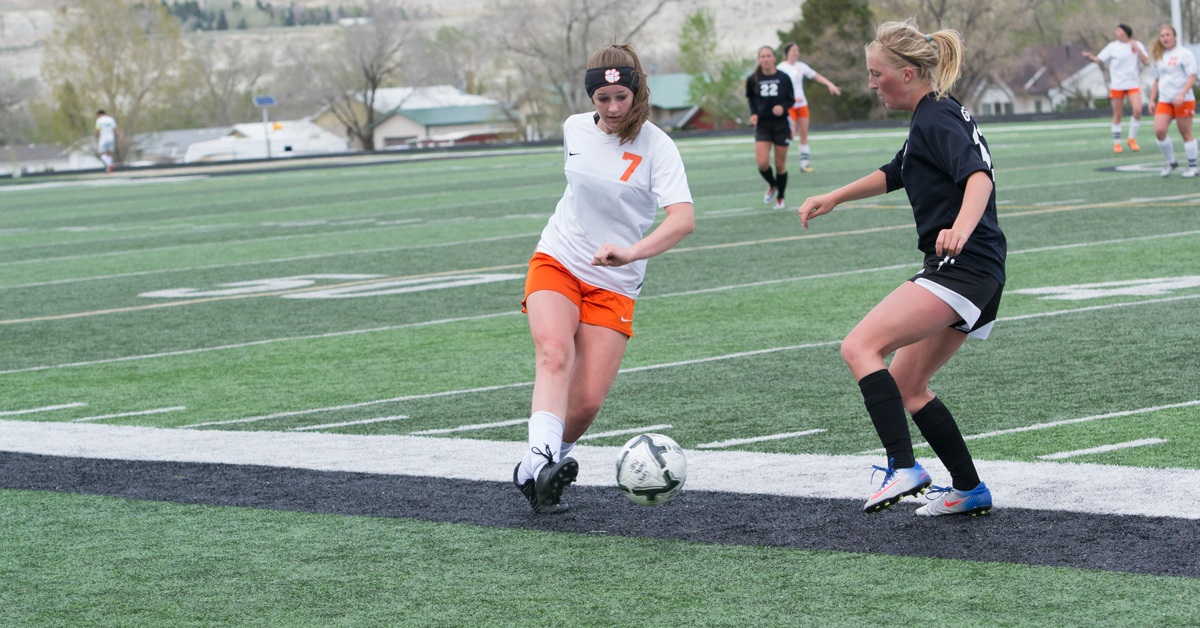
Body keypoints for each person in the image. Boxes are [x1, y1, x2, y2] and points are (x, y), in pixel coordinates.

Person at [798, 19, 1005, 517]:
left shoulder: (935, 117)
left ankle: (903, 466)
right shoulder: (931, 115)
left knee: (859, 346)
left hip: (962, 267)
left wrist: (959, 227)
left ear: (908, 73)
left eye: (877, 74)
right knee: (908, 384)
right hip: (978, 273)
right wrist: (836, 197)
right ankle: (969, 487)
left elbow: (979, 178)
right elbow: (897, 171)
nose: (871, 84)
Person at [513, 43, 695, 514]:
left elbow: (682, 219)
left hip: (616, 277)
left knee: (589, 401)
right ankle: (541, 460)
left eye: (621, 97)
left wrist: (630, 252)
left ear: (637, 92)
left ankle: (537, 471)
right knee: (555, 354)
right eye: (603, 99)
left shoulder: (658, 145)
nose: (613, 109)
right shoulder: (574, 128)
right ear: (591, 97)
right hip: (558, 258)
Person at [1082, 25, 1149, 153]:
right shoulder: (1112, 46)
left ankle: (1131, 138)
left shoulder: (1136, 44)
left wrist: (1137, 49)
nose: (1116, 33)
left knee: (1138, 110)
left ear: (1126, 32)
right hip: (1117, 85)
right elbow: (1099, 59)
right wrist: (1090, 57)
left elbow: (1146, 61)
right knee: (1117, 114)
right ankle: (1117, 143)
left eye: (1119, 30)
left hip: (1132, 84)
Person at [777, 42, 842, 171]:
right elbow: (778, 88)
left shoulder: (801, 66)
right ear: (787, 53)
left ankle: (804, 165)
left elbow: (815, 75)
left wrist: (830, 84)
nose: (796, 53)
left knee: (804, 134)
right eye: (793, 50)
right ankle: (780, 162)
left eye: (797, 50)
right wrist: (790, 98)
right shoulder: (781, 68)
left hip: (802, 104)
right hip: (789, 105)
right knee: (790, 134)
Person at [746, 45, 795, 210]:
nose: (765, 59)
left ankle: (780, 197)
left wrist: (783, 107)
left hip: (781, 125)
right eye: (762, 56)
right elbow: (752, 100)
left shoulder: (784, 77)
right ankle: (772, 184)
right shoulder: (753, 79)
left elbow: (791, 100)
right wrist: (753, 114)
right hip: (763, 126)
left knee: (780, 164)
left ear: (774, 58)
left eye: (768, 56)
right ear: (759, 59)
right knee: (762, 163)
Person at [1149, 24, 1198, 178]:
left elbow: (1192, 76)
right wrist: (1152, 100)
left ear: (1175, 36)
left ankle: (1193, 166)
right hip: (1165, 100)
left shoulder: (1184, 54)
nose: (1165, 38)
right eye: (1162, 35)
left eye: (1168, 35)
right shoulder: (1158, 55)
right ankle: (1171, 161)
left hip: (1183, 100)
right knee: (1159, 131)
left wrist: (1181, 94)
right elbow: (1156, 79)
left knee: (1185, 133)